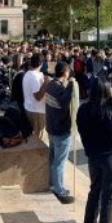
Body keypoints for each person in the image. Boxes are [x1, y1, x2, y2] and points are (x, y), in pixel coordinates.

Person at [78, 77, 112, 223]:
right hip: (109, 157)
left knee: (95, 189)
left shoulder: (83, 109)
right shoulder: (109, 111)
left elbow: (81, 131)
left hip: (92, 156)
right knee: (108, 196)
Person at [44, 62, 75, 204]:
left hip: (51, 128)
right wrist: (70, 86)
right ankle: (59, 189)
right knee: (59, 162)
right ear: (65, 73)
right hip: (60, 130)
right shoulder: (59, 87)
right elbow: (64, 104)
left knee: (53, 159)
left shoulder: (50, 85)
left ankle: (52, 183)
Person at [23, 54, 51, 142]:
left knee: (35, 138)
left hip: (32, 109)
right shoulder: (33, 76)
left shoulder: (29, 74)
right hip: (37, 112)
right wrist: (46, 83)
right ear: (41, 64)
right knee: (40, 140)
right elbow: (38, 97)